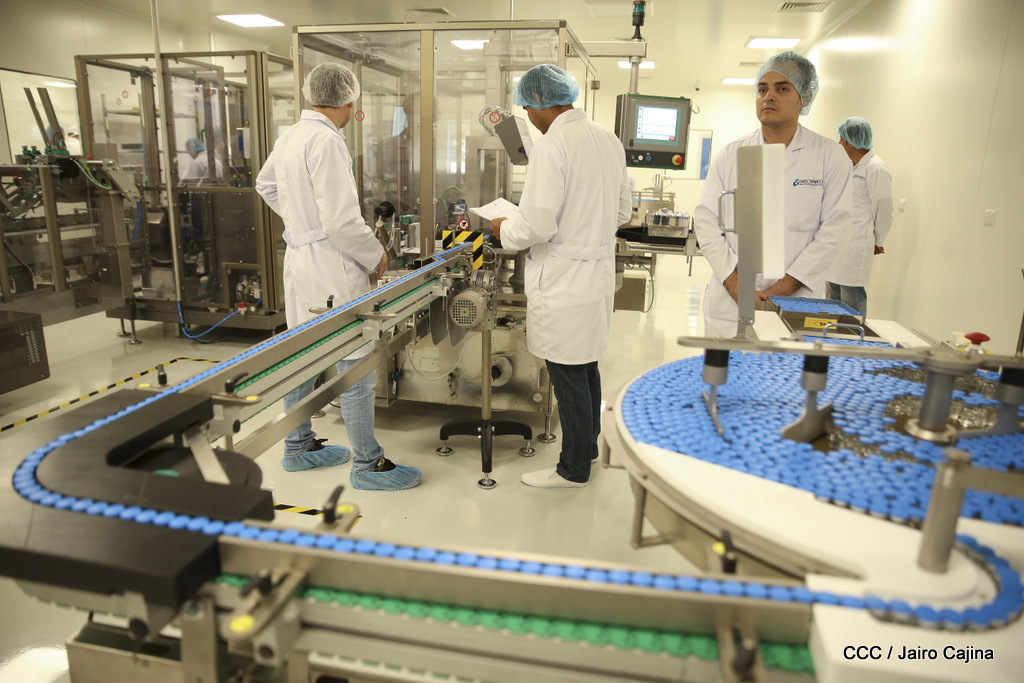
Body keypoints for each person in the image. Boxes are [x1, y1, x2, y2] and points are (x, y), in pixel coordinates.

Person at [255, 62, 421, 491]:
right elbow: (343, 222)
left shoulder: (290, 136)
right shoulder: (327, 140)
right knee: (354, 362)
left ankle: (298, 447)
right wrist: (376, 256)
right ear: (349, 100)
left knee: (302, 355)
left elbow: (265, 184)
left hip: (300, 259)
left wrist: (301, 221)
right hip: (331, 263)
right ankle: (367, 464)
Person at [489, 64, 632, 489]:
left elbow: (536, 225)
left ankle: (573, 469)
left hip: (564, 278)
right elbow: (621, 211)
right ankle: (588, 448)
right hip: (595, 274)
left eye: (525, 108)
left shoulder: (552, 145)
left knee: (567, 373)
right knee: (586, 366)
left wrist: (503, 228)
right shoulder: (606, 139)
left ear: (538, 103)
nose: (527, 117)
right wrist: (585, 228)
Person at [693, 51, 852, 337]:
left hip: (797, 301)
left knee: (786, 366)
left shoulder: (829, 155)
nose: (769, 97)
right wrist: (735, 285)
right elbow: (706, 222)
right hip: (730, 302)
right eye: (762, 89)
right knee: (726, 365)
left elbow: (835, 229)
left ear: (804, 97)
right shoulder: (731, 155)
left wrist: (784, 288)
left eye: (782, 89)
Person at [826, 116, 894, 314]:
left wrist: (878, 240)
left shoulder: (875, 167)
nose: (839, 143)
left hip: (857, 243)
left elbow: (884, 208)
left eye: (842, 139)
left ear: (851, 141)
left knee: (851, 299)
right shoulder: (849, 165)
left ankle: (853, 331)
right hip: (839, 241)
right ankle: (831, 331)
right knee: (832, 296)